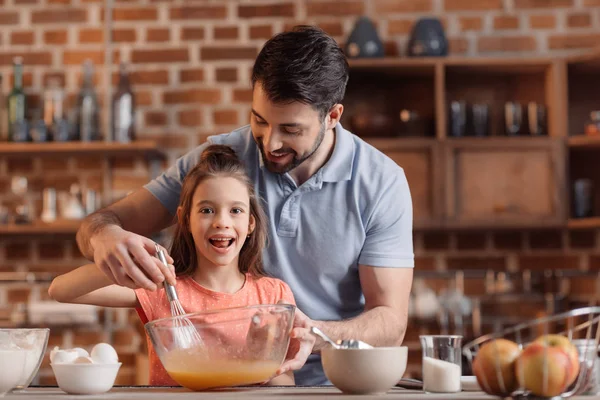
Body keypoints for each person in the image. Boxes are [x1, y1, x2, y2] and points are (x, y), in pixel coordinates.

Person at [75, 25, 414, 385]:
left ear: (332, 116)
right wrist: (104, 236)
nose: (270, 143)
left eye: (291, 129)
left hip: (337, 383)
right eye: (259, 120)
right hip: (230, 382)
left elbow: (391, 323)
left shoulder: (381, 183)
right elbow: (100, 223)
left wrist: (314, 333)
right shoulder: (220, 160)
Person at [49, 145, 314, 386]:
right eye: (207, 210)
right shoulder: (162, 288)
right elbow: (60, 291)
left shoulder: (273, 296)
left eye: (235, 210)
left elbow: (284, 380)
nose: (222, 221)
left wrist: (261, 359)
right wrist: (128, 259)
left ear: (250, 224)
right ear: (185, 220)